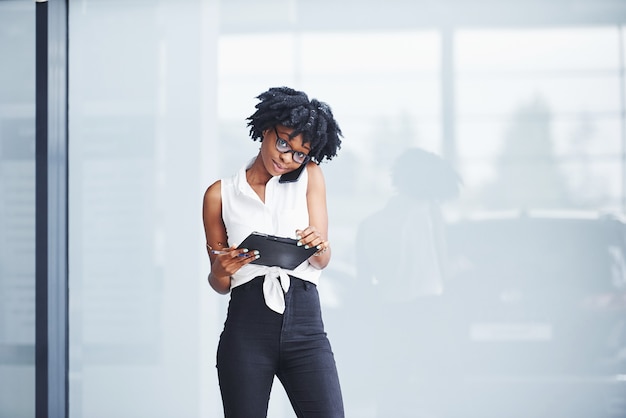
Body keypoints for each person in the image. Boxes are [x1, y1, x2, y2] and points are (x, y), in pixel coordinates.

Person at [202, 86, 345, 418]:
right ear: (265, 130)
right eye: (283, 143)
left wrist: (317, 244)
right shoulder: (220, 195)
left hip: (307, 327)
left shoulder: (310, 177)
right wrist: (222, 269)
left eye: (299, 153)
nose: (287, 158)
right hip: (246, 330)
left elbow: (322, 259)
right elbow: (219, 282)